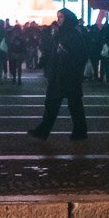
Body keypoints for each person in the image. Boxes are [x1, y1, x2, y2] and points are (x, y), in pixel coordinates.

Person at [28, 8, 89, 141]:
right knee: (51, 105)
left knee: (74, 106)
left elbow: (82, 55)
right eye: (58, 17)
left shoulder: (75, 35)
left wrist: (67, 53)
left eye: (61, 17)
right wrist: (44, 62)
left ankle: (80, 131)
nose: (59, 19)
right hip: (57, 76)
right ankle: (44, 131)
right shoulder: (58, 34)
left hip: (70, 76)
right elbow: (51, 52)